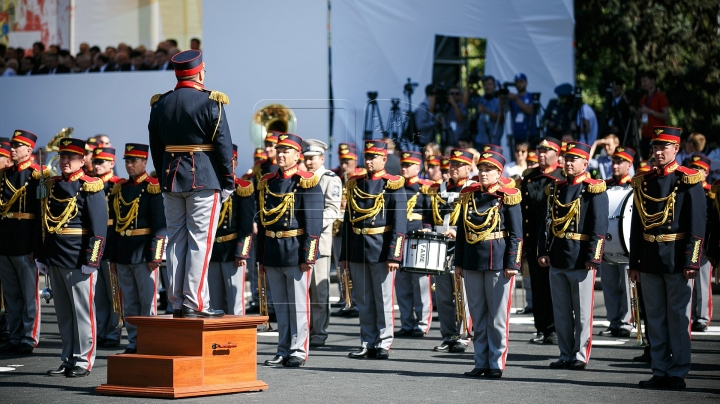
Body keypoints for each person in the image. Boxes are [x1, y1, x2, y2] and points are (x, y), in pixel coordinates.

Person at [148, 49, 234, 318]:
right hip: (203, 179)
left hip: (170, 179)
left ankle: (176, 301)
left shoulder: (160, 103)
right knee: (200, 241)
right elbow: (222, 145)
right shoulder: (211, 101)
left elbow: (156, 147)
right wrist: (228, 181)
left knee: (175, 241)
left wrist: (164, 177)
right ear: (199, 72)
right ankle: (195, 303)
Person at [629, 126, 705, 390]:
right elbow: (637, 227)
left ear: (676, 149)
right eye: (655, 147)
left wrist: (691, 261)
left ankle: (678, 372)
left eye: (663, 147)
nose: (658, 152)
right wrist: (634, 263)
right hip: (649, 258)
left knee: (678, 318)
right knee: (656, 319)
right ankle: (659, 369)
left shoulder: (688, 179)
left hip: (676, 259)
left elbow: (696, 226)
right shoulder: (644, 181)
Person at [37, 138, 107, 377]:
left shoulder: (90, 185)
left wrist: (92, 261)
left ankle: (83, 360)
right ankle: (67, 358)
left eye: (71, 158)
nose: (65, 162)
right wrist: (43, 256)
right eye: (63, 157)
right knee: (64, 314)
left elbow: (98, 229)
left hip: (78, 259)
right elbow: (47, 225)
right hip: (56, 257)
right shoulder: (53, 184)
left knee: (82, 313)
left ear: (82, 160)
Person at [538, 141, 608, 370]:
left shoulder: (592, 188)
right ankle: (565, 353)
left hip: (580, 257)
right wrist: (544, 250)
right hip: (557, 254)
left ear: (585, 163)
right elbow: (546, 222)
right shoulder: (556, 188)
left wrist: (593, 257)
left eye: (572, 159)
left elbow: (598, 226)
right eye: (566, 159)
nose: (567, 163)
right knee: (561, 312)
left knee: (582, 313)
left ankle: (579, 355)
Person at [455, 150, 522, 379]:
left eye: (489, 170)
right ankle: (480, 361)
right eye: (481, 169)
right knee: (478, 316)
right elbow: (462, 232)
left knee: (497, 317)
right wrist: (459, 262)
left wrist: (512, 262)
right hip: (473, 260)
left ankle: (496, 363)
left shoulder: (508, 196)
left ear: (499, 173)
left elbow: (516, 234)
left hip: (498, 261)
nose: (483, 173)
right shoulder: (468, 194)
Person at [258, 133, 323, 368]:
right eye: (279, 150)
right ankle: (282, 348)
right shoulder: (269, 182)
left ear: (298, 155)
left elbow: (314, 223)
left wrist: (309, 255)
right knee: (281, 307)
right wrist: (262, 257)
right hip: (274, 250)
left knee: (298, 305)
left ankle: (298, 349)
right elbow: (264, 222)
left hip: (296, 251)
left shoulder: (306, 181)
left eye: (287, 151)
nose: (281, 154)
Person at [342, 140, 407, 360]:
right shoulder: (355, 184)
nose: (369, 161)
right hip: (359, 249)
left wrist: (394, 255)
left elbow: (399, 225)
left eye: (373, 157)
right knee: (364, 299)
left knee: (383, 299)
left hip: (381, 249)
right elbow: (348, 222)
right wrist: (345, 255)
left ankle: (384, 342)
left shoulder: (393, 184)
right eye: (367, 157)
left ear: (384, 159)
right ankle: (367, 341)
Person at [107, 144, 166, 353]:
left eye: (134, 161)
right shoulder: (120, 189)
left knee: (147, 304)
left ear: (144, 162)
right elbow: (115, 227)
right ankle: (133, 342)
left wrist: (156, 256)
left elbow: (160, 227)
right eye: (127, 161)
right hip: (124, 252)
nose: (130, 165)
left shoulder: (152, 187)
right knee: (130, 304)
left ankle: (149, 343)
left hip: (143, 254)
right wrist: (113, 257)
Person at [0, 130, 46, 355]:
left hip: (25, 243)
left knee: (29, 295)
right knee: (11, 295)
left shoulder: (37, 176)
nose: (13, 149)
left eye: (18, 146)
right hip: (5, 242)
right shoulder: (5, 175)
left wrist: (36, 247)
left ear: (29, 150)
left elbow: (41, 216)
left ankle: (29, 336)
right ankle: (14, 333)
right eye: (12, 145)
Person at [426, 148, 476, 353]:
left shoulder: (473, 188)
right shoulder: (439, 188)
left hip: (461, 244)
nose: (454, 168)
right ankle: (448, 335)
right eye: (452, 164)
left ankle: (464, 335)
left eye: (458, 165)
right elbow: (429, 215)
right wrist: (427, 229)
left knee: (462, 293)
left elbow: (477, 217)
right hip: (439, 245)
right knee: (444, 294)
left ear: (468, 167)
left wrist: (460, 233)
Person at [521, 137, 565, 344]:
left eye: (546, 151)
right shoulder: (530, 178)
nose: (541, 154)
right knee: (538, 286)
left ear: (557, 154)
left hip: (553, 240)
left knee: (554, 287)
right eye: (539, 150)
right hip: (533, 239)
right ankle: (542, 328)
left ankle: (555, 327)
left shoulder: (562, 177)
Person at [301, 139, 342, 346]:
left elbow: (333, 210)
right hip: (300, 242)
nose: (308, 162)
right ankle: (303, 330)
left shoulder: (329, 179)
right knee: (301, 291)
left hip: (320, 243)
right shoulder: (301, 178)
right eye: (306, 158)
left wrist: (311, 223)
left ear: (322, 159)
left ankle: (319, 332)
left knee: (319, 291)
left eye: (312, 158)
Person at [208, 145, 255, 316]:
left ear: (235, 162)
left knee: (235, 303)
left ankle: (235, 340)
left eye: (228, 160)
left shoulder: (242, 187)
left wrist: (241, 252)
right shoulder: (208, 188)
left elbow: (246, 225)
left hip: (232, 250)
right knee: (214, 303)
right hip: (212, 250)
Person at [395, 151, 434, 338]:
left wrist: (427, 228)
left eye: (409, 165)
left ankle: (422, 322)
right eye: (403, 165)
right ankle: (406, 322)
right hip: (399, 237)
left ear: (418, 167)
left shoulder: (425, 188)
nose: (404, 168)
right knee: (401, 283)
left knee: (420, 283)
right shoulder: (396, 186)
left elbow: (429, 213)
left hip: (418, 236)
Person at [599, 146, 636, 338]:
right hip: (608, 242)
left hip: (627, 243)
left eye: (620, 162)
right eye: (613, 161)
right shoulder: (604, 186)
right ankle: (613, 321)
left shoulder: (635, 186)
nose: (615, 165)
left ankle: (626, 321)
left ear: (629, 164)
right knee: (610, 283)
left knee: (627, 284)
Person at [90, 147, 123, 349]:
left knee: (113, 292)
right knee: (98, 293)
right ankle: (101, 331)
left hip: (111, 242)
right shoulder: (91, 185)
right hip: (96, 243)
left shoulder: (118, 186)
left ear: (112, 163)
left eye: (102, 161)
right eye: (95, 162)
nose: (98, 165)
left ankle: (113, 331)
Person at [330, 142, 363, 318]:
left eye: (348, 161)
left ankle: (356, 300)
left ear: (355, 160)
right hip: (338, 227)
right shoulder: (336, 176)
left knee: (354, 267)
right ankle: (346, 300)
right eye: (342, 161)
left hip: (354, 227)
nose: (344, 165)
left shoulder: (361, 177)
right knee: (340, 266)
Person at [684, 154, 715, 332]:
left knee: (702, 284)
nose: (695, 172)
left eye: (699, 170)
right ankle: (690, 316)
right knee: (688, 283)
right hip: (687, 243)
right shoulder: (685, 190)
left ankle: (702, 318)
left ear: (705, 173)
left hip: (703, 243)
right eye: (693, 168)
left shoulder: (710, 193)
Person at [637, 71, 670, 160]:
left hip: (657, 135)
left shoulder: (661, 96)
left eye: (645, 81)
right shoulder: (643, 99)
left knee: (655, 160)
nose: (643, 84)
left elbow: (666, 116)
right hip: (645, 134)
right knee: (644, 160)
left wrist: (650, 111)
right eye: (642, 82)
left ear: (652, 81)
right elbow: (638, 118)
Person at [508, 73, 538, 145]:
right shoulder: (512, 98)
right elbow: (503, 111)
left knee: (531, 156)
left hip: (529, 134)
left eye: (521, 82)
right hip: (517, 134)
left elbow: (529, 110)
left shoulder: (530, 96)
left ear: (526, 83)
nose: (518, 84)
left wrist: (516, 99)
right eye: (516, 82)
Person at [475, 76, 504, 146]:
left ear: (494, 86)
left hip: (493, 141)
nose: (487, 86)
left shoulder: (499, 100)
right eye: (485, 84)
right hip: (480, 140)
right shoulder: (480, 100)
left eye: (490, 84)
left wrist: (486, 111)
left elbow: (501, 118)